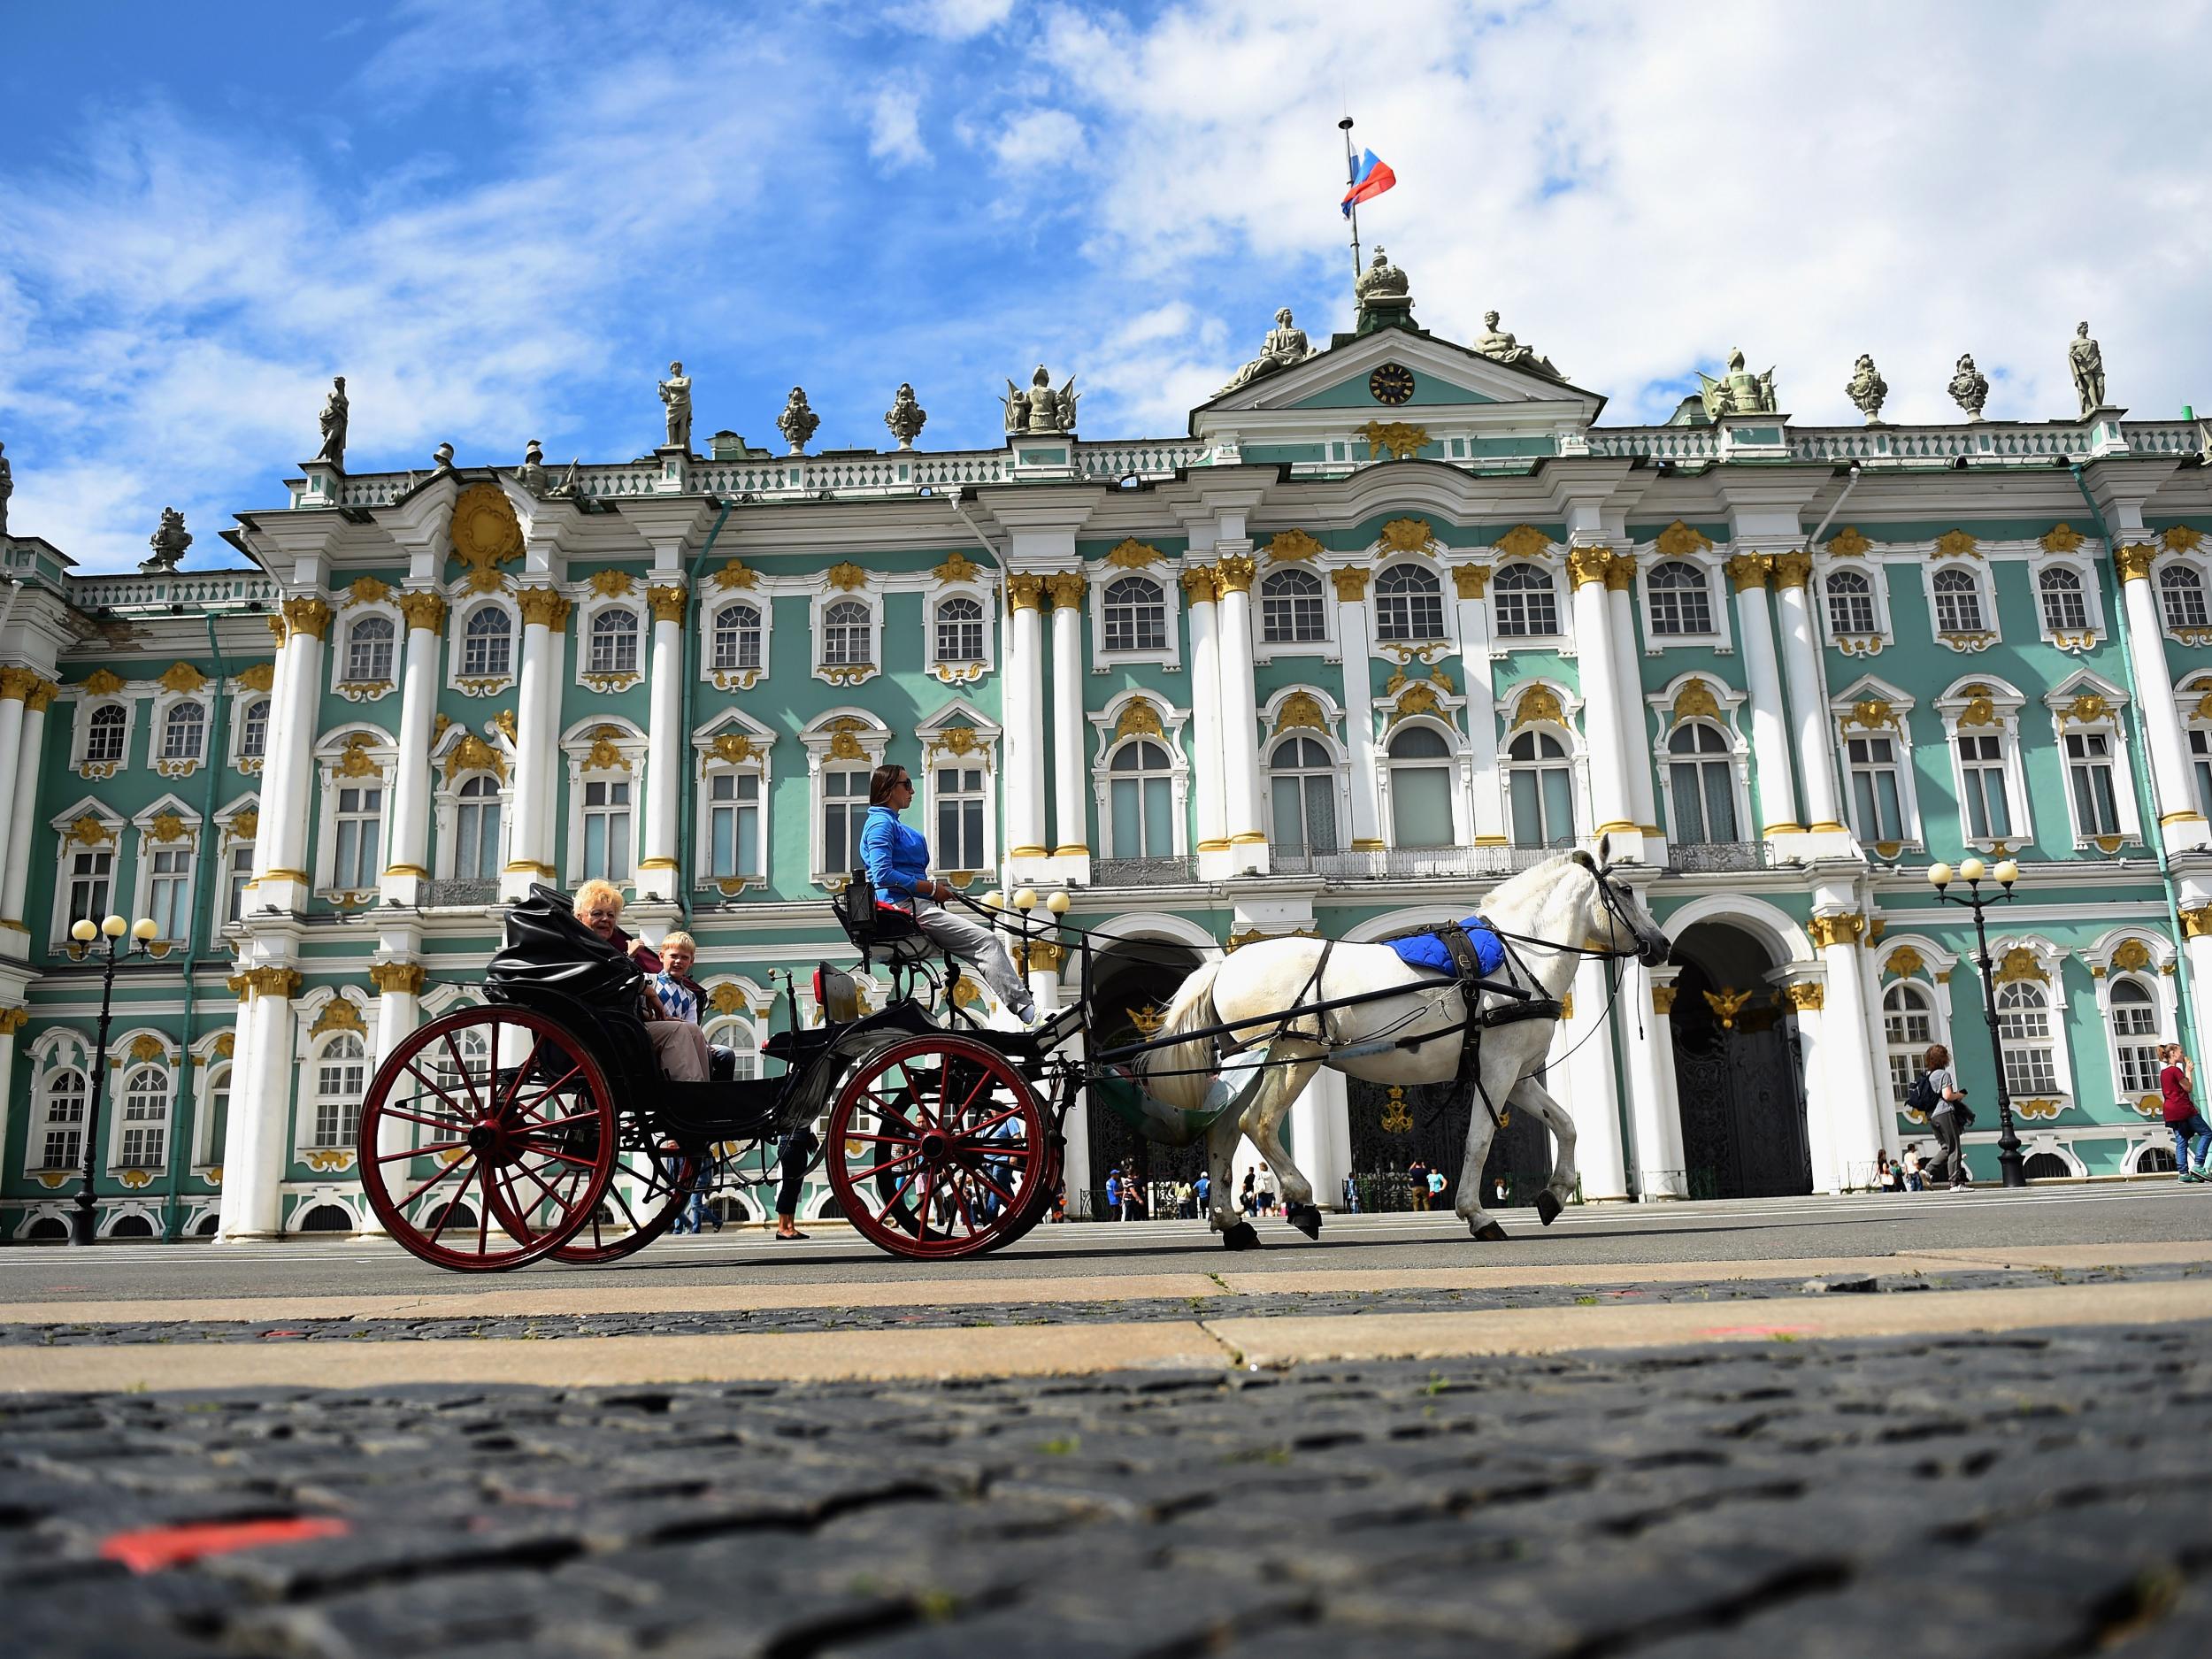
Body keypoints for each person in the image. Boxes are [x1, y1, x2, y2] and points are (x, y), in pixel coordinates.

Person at [859, 764, 1036, 1026]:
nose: (913, 791)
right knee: (986, 941)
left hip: (914, 904)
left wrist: (930, 890)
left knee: (984, 942)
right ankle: (1026, 1009)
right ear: (887, 790)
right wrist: (930, 889)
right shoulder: (880, 825)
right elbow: (883, 874)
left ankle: (1024, 1005)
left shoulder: (890, 824)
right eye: (906, 785)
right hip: (903, 908)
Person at [573, 879, 709, 1081]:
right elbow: (606, 986)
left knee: (693, 1029)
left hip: (622, 1023)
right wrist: (646, 987)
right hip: (603, 1030)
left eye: (611, 915)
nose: (605, 919)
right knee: (679, 1030)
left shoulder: (604, 950)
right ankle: (691, 1099)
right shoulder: (581, 949)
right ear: (579, 917)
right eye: (597, 913)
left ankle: (707, 1094)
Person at [1922, 1043, 1971, 1191]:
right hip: (1944, 1113)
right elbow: (1947, 1095)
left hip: (1932, 1116)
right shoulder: (1943, 1075)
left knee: (1946, 1147)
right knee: (1954, 1147)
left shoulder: (1927, 1076)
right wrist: (1960, 1095)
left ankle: (1927, 1171)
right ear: (1944, 1059)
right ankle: (1955, 1183)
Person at [2160, 1042, 2211, 1183]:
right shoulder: (2175, 1071)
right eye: (2180, 1052)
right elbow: (2188, 1088)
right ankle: (2198, 1165)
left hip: (2170, 1110)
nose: (2183, 1054)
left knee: (2181, 1141)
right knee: (2207, 1133)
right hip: (2183, 1108)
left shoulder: (2163, 1072)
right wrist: (2188, 1071)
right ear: (2173, 1054)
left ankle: (2183, 1173)